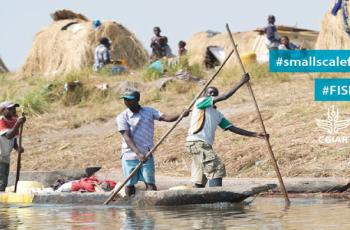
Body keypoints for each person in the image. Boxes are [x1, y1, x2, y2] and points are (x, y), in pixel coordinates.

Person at [185, 74, 268, 188]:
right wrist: (241, 82)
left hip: (203, 145)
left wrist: (255, 134)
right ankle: (217, 200)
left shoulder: (218, 115)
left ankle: (196, 198)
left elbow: (232, 128)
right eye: (210, 93)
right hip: (197, 143)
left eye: (214, 93)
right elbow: (225, 96)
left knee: (200, 178)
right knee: (216, 168)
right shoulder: (201, 102)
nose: (212, 94)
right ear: (205, 95)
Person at [116, 90, 189, 196]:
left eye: (129, 100)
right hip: (130, 154)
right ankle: (129, 208)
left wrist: (181, 114)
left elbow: (166, 118)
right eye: (125, 100)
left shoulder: (149, 111)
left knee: (150, 183)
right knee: (130, 184)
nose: (126, 102)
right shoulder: (122, 117)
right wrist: (138, 153)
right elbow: (127, 138)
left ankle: (150, 209)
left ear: (137, 100)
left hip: (147, 153)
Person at [0, 101, 26, 191]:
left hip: (5, 157)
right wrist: (18, 124)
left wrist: (17, 147)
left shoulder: (14, 121)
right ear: (3, 111)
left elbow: (13, 138)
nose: (13, 110)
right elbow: (8, 135)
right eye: (10, 109)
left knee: (4, 180)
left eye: (14, 108)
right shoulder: (1, 121)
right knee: (1, 182)